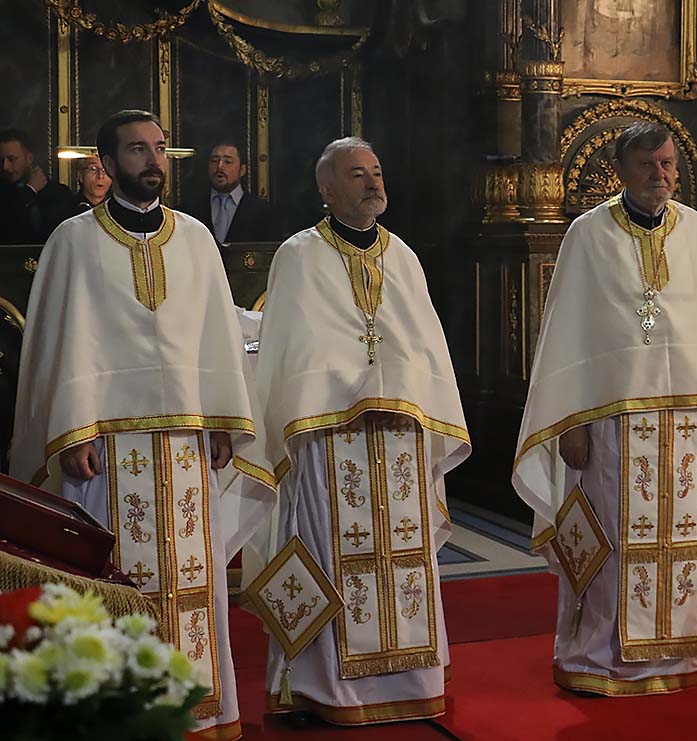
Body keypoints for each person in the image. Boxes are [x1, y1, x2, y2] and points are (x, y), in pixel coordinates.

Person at [10, 110, 276, 740]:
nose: (153, 160)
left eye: (159, 148)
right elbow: (58, 345)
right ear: (106, 163)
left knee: (193, 580)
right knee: (109, 582)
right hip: (104, 451)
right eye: (137, 150)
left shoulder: (196, 239)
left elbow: (217, 335)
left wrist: (222, 420)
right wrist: (70, 430)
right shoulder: (73, 241)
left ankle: (199, 709)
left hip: (186, 445)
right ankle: (114, 714)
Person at [512, 121, 697, 696]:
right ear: (620, 170)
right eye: (647, 165)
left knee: (681, 537)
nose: (660, 175)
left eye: (668, 164)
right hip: (610, 418)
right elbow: (568, 333)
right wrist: (570, 421)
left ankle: (677, 649)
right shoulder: (588, 233)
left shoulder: (693, 229)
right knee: (611, 539)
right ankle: (598, 655)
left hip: (682, 418)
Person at [253, 137, 469, 724]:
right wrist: (350, 398)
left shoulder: (403, 256)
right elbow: (294, 353)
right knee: (329, 556)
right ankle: (323, 689)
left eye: (376, 171)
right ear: (326, 189)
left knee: (405, 558)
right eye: (357, 175)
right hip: (329, 440)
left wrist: (405, 398)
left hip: (400, 436)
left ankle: (409, 680)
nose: (373, 183)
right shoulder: (299, 255)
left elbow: (424, 348)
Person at [184, 138, 279, 244]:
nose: (219, 167)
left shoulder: (263, 212)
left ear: (242, 170)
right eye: (214, 161)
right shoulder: (190, 209)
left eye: (228, 162)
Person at [0, 128, 73, 243]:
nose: (5, 166)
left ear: (29, 158)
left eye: (12, 159)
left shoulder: (59, 193)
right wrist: (30, 190)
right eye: (1, 160)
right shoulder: (3, 193)